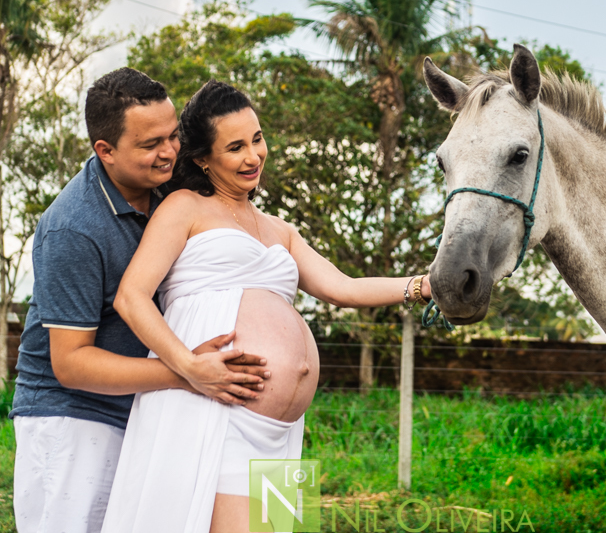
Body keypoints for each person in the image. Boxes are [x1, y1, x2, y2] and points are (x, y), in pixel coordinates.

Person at [102, 80, 433, 533]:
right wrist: (187, 366)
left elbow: (344, 287)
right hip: (218, 409)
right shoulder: (184, 207)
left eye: (257, 139)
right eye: (235, 147)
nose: (253, 155)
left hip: (282, 430)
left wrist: (425, 286)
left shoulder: (281, 230)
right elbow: (131, 296)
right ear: (203, 158)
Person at [10, 68, 270, 533]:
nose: (169, 151)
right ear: (104, 151)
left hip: (157, 408)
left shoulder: (174, 192)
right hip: (76, 419)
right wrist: (188, 371)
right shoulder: (72, 227)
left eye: (173, 136)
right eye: (151, 144)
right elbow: (71, 364)